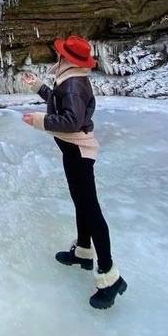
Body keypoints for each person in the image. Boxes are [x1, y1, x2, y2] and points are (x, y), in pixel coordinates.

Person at [21, 34, 127, 310]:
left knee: (91, 210)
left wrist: (39, 120)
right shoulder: (70, 79)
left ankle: (110, 276)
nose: (57, 56)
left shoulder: (73, 82)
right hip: (73, 151)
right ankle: (82, 252)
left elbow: (71, 120)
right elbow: (61, 101)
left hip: (79, 151)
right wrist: (39, 88)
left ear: (66, 57)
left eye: (60, 53)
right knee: (82, 203)